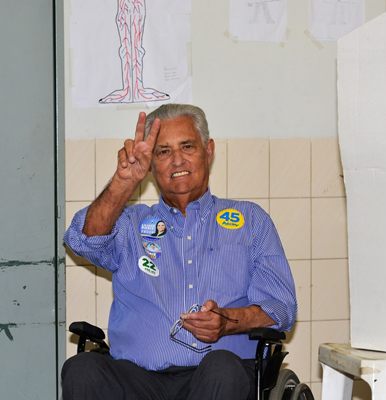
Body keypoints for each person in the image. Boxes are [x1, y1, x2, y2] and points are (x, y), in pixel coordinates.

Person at [62, 104, 297, 399]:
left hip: (219, 378)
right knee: (82, 368)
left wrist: (227, 321)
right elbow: (83, 240)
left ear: (208, 151)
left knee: (221, 367)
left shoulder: (250, 220)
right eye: (163, 152)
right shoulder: (131, 224)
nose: (177, 160)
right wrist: (123, 182)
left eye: (187, 147)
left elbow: (281, 308)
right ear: (150, 164)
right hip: (139, 379)